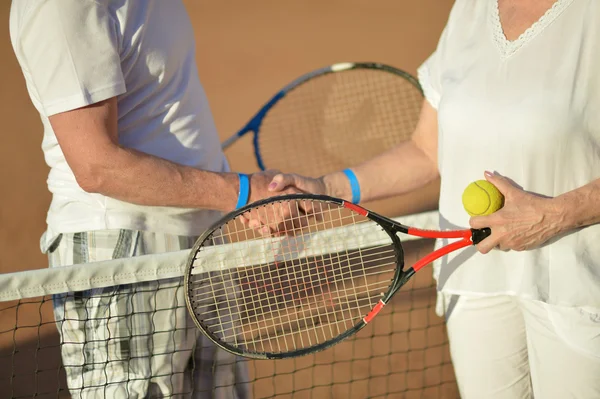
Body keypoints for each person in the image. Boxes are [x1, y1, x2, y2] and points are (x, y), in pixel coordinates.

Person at [260, 0, 600, 397]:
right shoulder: (470, 11)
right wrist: (325, 188)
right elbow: (426, 148)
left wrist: (557, 214)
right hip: (474, 279)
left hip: (576, 286)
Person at [9, 0, 298, 397]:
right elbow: (96, 166)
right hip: (125, 250)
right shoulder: (62, 5)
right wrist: (242, 192)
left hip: (201, 239)